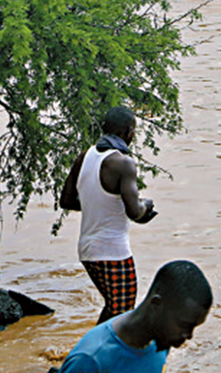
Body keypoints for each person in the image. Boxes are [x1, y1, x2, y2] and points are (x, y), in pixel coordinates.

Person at [59, 107, 158, 323]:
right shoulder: (124, 163)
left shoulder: (85, 157)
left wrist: (99, 205)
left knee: (114, 309)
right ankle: (93, 353)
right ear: (129, 132)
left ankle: (90, 352)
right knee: (122, 313)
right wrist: (145, 206)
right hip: (112, 252)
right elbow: (134, 212)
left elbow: (66, 201)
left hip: (87, 249)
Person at [56, 260, 212, 373]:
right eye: (185, 325)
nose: (189, 336)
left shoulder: (162, 340)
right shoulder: (90, 360)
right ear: (156, 305)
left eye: (193, 327)